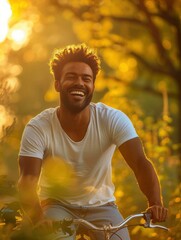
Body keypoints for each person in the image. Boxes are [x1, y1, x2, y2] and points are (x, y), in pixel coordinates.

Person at [17, 43, 168, 240]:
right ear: (57, 84)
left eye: (86, 78)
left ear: (92, 87)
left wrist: (155, 201)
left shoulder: (112, 119)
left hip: (103, 207)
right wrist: (37, 218)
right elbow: (27, 180)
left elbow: (140, 163)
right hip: (56, 206)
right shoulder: (38, 127)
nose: (79, 83)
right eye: (71, 76)